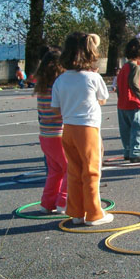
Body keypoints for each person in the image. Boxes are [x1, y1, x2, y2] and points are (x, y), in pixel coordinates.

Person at [51, 32, 112, 226]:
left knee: (74, 171)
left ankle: (76, 212)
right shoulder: (93, 77)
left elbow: (55, 108)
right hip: (88, 129)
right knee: (92, 171)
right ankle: (94, 213)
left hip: (68, 129)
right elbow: (103, 99)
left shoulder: (60, 80)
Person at [34, 47, 67, 213]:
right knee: (70, 168)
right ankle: (63, 201)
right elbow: (60, 111)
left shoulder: (41, 87)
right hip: (58, 134)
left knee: (55, 171)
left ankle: (47, 203)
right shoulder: (58, 87)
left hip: (45, 135)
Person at [117, 37, 140, 163]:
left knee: (125, 130)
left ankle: (128, 151)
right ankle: (136, 153)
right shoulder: (135, 68)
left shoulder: (124, 67)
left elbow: (119, 87)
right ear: (139, 55)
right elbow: (134, 84)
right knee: (137, 129)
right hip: (133, 103)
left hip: (122, 104)